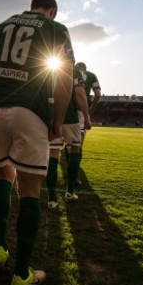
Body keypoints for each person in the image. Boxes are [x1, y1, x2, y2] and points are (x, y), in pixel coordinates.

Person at [0, 0, 74, 285]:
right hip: (31, 110)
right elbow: (65, 78)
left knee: (3, 176)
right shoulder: (56, 28)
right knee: (30, 190)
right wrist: (57, 120)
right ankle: (21, 273)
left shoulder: (4, 24)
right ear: (52, 10)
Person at [46, 66, 91, 208]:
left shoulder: (47, 68)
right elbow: (80, 93)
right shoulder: (73, 71)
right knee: (74, 151)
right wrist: (86, 117)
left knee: (53, 155)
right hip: (70, 117)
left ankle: (52, 199)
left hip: (52, 118)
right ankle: (70, 192)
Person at [73, 61, 100, 187]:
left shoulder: (66, 71)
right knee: (77, 146)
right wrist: (90, 112)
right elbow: (98, 95)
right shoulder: (91, 75)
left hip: (63, 110)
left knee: (55, 148)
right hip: (80, 112)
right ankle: (74, 176)